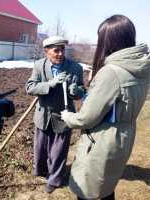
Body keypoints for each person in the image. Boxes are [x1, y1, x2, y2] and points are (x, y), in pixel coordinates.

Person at [61, 15, 150, 200]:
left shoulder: (111, 72)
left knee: (89, 189)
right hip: (124, 136)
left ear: (109, 41)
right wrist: (85, 93)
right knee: (106, 186)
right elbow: (116, 102)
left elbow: (87, 118)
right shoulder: (141, 68)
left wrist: (68, 116)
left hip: (103, 140)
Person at [25, 35, 85, 193]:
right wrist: (50, 84)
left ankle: (55, 180)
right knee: (41, 148)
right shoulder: (39, 66)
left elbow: (81, 91)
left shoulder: (75, 68)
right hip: (43, 115)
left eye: (62, 50)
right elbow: (30, 87)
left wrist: (76, 91)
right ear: (46, 51)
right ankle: (43, 171)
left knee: (58, 151)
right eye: (56, 50)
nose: (60, 54)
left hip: (63, 116)